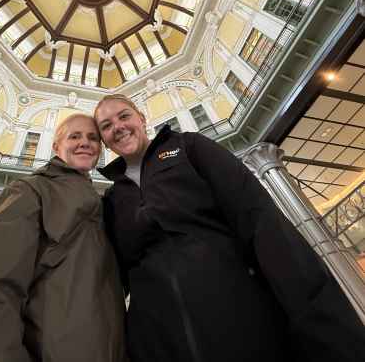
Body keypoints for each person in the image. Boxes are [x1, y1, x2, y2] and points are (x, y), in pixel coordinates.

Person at [94, 94, 365, 362]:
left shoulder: (190, 147)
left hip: (243, 322)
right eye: (106, 126)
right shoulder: (113, 200)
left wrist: (328, 331)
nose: (117, 127)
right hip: (164, 343)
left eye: (124, 116)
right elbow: (114, 280)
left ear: (141, 118)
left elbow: (258, 218)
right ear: (104, 140)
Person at [0, 113, 128, 362]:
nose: (85, 142)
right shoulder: (28, 190)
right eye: (75, 136)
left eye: (93, 138)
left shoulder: (103, 206)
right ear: (56, 146)